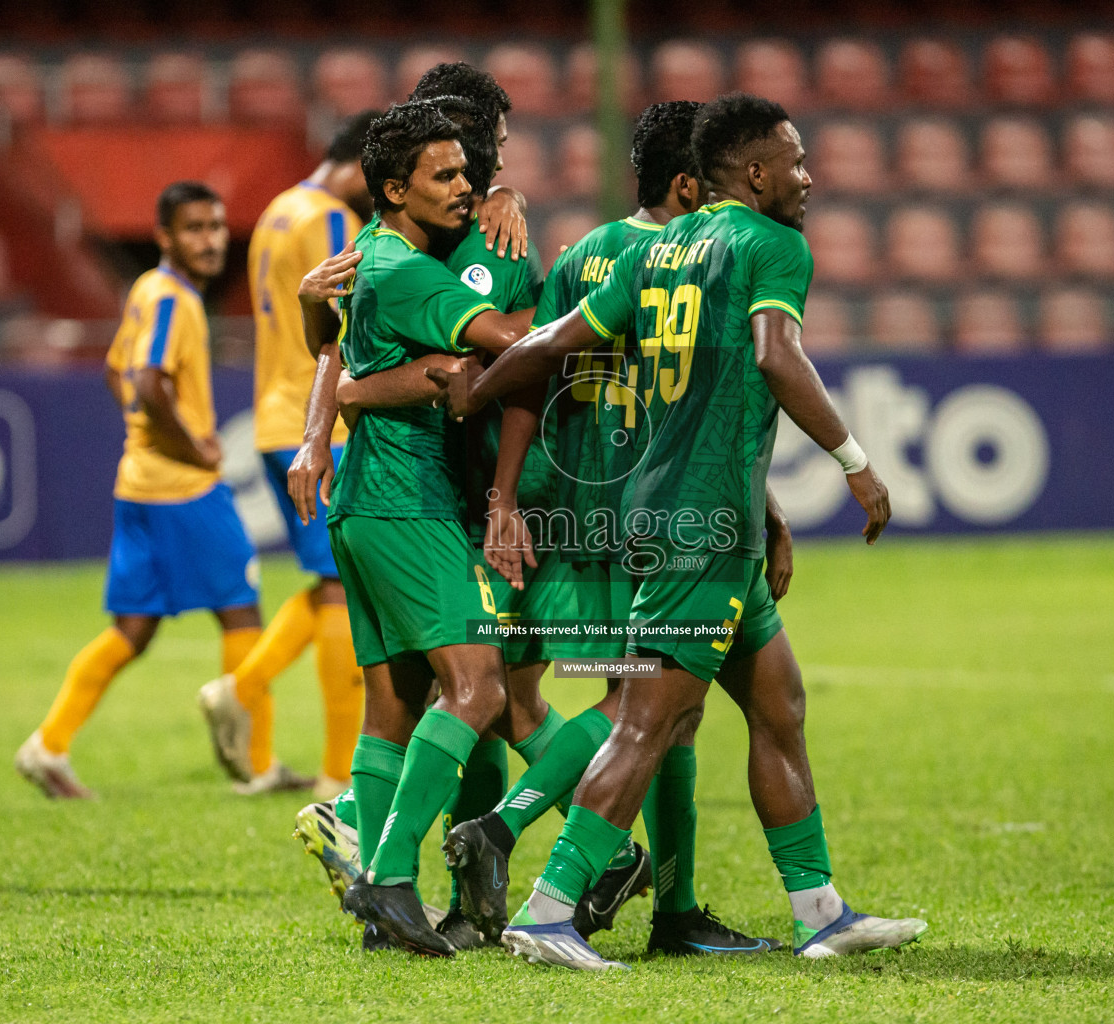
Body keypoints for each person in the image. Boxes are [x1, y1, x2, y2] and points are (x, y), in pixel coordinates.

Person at [429, 94, 927, 968]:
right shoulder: (772, 245)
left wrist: (482, 385)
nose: (809, 178)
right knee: (644, 724)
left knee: (780, 707)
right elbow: (777, 354)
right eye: (797, 161)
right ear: (758, 171)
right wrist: (855, 460)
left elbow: (553, 340)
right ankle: (547, 913)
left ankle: (821, 913)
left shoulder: (658, 250)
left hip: (678, 516)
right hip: (700, 531)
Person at [443, 100, 781, 957]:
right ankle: (512, 828)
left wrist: (508, 496)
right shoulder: (692, 258)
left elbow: (535, 374)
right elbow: (705, 401)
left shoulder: (586, 252)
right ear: (690, 180)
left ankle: (678, 907)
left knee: (667, 709)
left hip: (582, 507)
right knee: (647, 702)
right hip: (662, 513)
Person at [323, 101, 540, 957]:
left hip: (369, 504)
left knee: (394, 704)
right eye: (444, 176)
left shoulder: (376, 259)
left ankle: (387, 910)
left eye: (468, 173)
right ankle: (388, 877)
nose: (464, 188)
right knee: (481, 688)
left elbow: (365, 370)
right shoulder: (409, 272)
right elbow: (507, 340)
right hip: (408, 502)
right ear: (392, 188)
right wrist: (606, 312)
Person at [15, 182, 263, 799]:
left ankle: (47, 746)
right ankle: (254, 765)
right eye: (194, 229)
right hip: (185, 490)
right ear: (164, 236)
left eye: (216, 227)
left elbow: (114, 372)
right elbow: (149, 382)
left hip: (138, 485)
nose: (210, 241)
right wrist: (193, 447)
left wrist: (145, 438)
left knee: (133, 631)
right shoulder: (174, 300)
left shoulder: (145, 292)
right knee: (243, 611)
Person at [197, 112, 377, 799]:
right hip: (316, 421)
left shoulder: (277, 209)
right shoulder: (331, 219)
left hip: (275, 414)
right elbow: (341, 320)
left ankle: (243, 690)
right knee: (341, 587)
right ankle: (336, 774)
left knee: (327, 579)